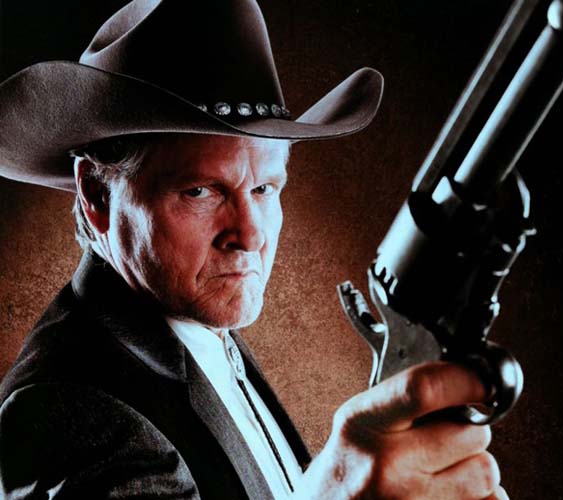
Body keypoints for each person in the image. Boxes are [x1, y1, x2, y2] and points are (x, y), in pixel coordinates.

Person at [0, 0, 507, 498]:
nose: (249, 234)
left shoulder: (197, 331)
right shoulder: (70, 411)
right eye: (201, 191)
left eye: (264, 189)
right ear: (96, 195)